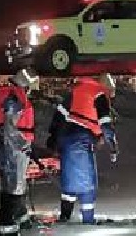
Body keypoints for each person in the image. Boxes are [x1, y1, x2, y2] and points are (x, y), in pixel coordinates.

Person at [47, 73, 118, 224]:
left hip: (65, 139)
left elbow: (60, 114)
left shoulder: (78, 90)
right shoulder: (99, 95)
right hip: (81, 140)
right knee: (87, 184)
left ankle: (65, 217)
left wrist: (52, 139)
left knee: (69, 182)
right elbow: (105, 124)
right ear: (108, 88)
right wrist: (113, 147)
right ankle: (88, 220)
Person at [0, 68, 40, 236]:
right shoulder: (14, 98)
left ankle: (20, 215)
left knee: (17, 182)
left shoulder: (10, 94)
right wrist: (24, 145)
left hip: (7, 144)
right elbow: (9, 128)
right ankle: (7, 225)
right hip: (10, 146)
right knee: (12, 185)